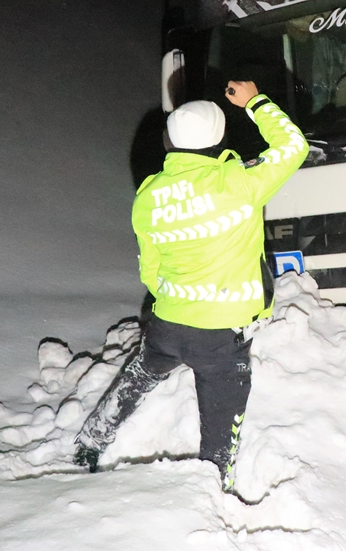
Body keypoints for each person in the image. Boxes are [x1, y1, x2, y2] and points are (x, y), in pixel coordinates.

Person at [74, 80, 308, 491]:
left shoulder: (149, 195)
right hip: (221, 337)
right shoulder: (238, 182)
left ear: (168, 143)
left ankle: (90, 441)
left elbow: (150, 269)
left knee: (138, 377)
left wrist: (178, 296)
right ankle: (211, 493)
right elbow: (293, 146)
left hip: (167, 323)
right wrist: (254, 101)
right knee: (220, 436)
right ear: (220, 139)